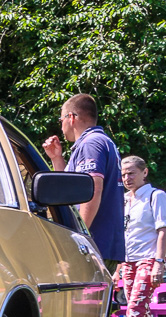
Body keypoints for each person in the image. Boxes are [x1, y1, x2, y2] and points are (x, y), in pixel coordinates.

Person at [42, 94, 125, 268]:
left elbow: (93, 189)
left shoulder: (91, 144)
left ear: (70, 117)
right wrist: (57, 159)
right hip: (101, 244)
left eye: (61, 119)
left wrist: (81, 238)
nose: (61, 126)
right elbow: (70, 191)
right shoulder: (101, 141)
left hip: (93, 245)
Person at [111, 156, 166, 317]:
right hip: (127, 262)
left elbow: (163, 231)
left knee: (135, 310)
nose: (127, 178)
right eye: (124, 174)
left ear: (144, 172)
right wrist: (118, 266)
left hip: (148, 259)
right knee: (142, 313)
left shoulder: (156, 196)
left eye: (132, 173)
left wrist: (159, 261)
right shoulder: (124, 200)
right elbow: (122, 235)